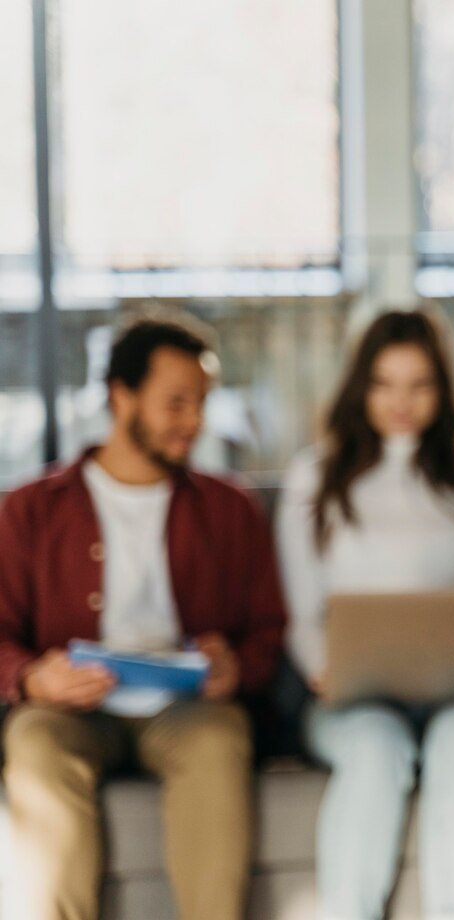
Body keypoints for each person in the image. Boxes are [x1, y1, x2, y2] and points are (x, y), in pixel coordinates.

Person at [0, 316, 287, 920]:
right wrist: (32, 679)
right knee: (31, 741)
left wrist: (238, 667)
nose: (194, 422)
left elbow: (267, 628)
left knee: (219, 737)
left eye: (202, 404)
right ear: (120, 396)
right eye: (176, 403)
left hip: (187, 712)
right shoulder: (30, 510)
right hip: (73, 711)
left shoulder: (231, 510)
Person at [275, 309, 454, 920]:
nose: (401, 402)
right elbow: (303, 615)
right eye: (384, 383)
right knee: (375, 748)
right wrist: (323, 668)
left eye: (419, 385)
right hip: (351, 698)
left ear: (442, 389)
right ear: (360, 387)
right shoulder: (314, 477)